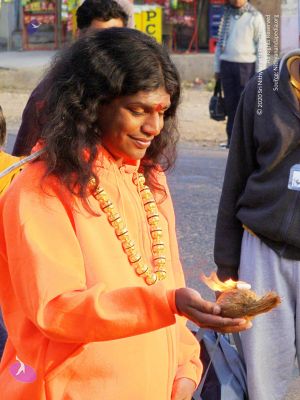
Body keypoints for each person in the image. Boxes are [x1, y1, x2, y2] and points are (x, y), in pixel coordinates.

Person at [0, 28, 251, 399]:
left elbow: (169, 278)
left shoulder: (149, 179)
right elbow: (56, 310)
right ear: (91, 104)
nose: (153, 128)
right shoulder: (39, 188)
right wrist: (168, 304)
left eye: (162, 112)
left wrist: (185, 368)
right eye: (138, 110)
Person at [214, 49, 300, 400]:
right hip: (263, 249)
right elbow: (237, 171)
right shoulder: (264, 89)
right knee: (263, 381)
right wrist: (226, 263)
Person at [12, 0, 130, 157]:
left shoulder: (131, 87)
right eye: (99, 37)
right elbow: (22, 163)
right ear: (80, 35)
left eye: (115, 38)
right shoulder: (48, 95)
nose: (108, 47)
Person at [214, 0, 267, 148]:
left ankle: (245, 143)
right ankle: (232, 140)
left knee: (245, 106)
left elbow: (261, 47)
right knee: (230, 105)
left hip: (247, 66)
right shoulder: (226, 16)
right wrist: (217, 68)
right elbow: (219, 44)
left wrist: (260, 74)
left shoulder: (255, 17)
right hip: (227, 65)